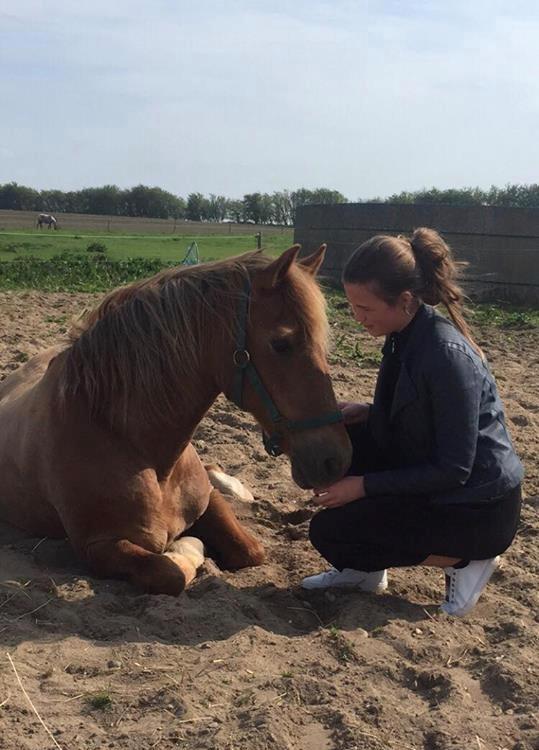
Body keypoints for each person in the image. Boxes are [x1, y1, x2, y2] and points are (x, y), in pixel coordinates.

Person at [302, 228, 524, 616]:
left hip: (477, 508)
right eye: (352, 305)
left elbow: (454, 468)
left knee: (331, 531)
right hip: (444, 481)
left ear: (405, 300)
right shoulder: (403, 333)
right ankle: (365, 573)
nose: (357, 318)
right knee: (339, 447)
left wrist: (364, 487)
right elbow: (424, 417)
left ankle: (464, 561)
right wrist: (370, 413)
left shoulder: (445, 355)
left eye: (365, 308)